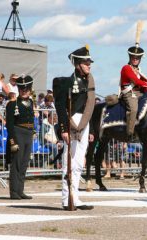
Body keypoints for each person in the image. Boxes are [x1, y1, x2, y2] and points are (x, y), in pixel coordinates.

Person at [53, 45, 95, 211]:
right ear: (77, 64)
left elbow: (89, 107)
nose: (89, 65)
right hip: (72, 121)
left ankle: (75, 197)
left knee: (78, 163)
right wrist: (63, 128)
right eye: (86, 63)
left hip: (84, 123)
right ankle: (66, 199)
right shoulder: (67, 82)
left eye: (89, 62)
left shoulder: (87, 81)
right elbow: (60, 106)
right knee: (68, 162)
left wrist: (90, 130)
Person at [6, 75, 35, 200]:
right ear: (19, 89)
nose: (24, 91)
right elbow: (10, 124)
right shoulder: (12, 104)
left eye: (27, 88)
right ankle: (14, 192)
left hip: (28, 133)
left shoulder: (31, 102)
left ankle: (20, 190)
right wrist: (12, 141)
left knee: (24, 164)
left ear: (30, 89)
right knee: (16, 163)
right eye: (22, 88)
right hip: (18, 133)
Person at [120, 44, 147, 139]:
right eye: (133, 57)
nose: (135, 59)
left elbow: (142, 82)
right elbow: (135, 81)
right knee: (133, 109)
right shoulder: (126, 68)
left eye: (137, 58)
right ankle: (130, 133)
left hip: (139, 92)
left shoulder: (138, 69)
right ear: (130, 57)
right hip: (129, 93)